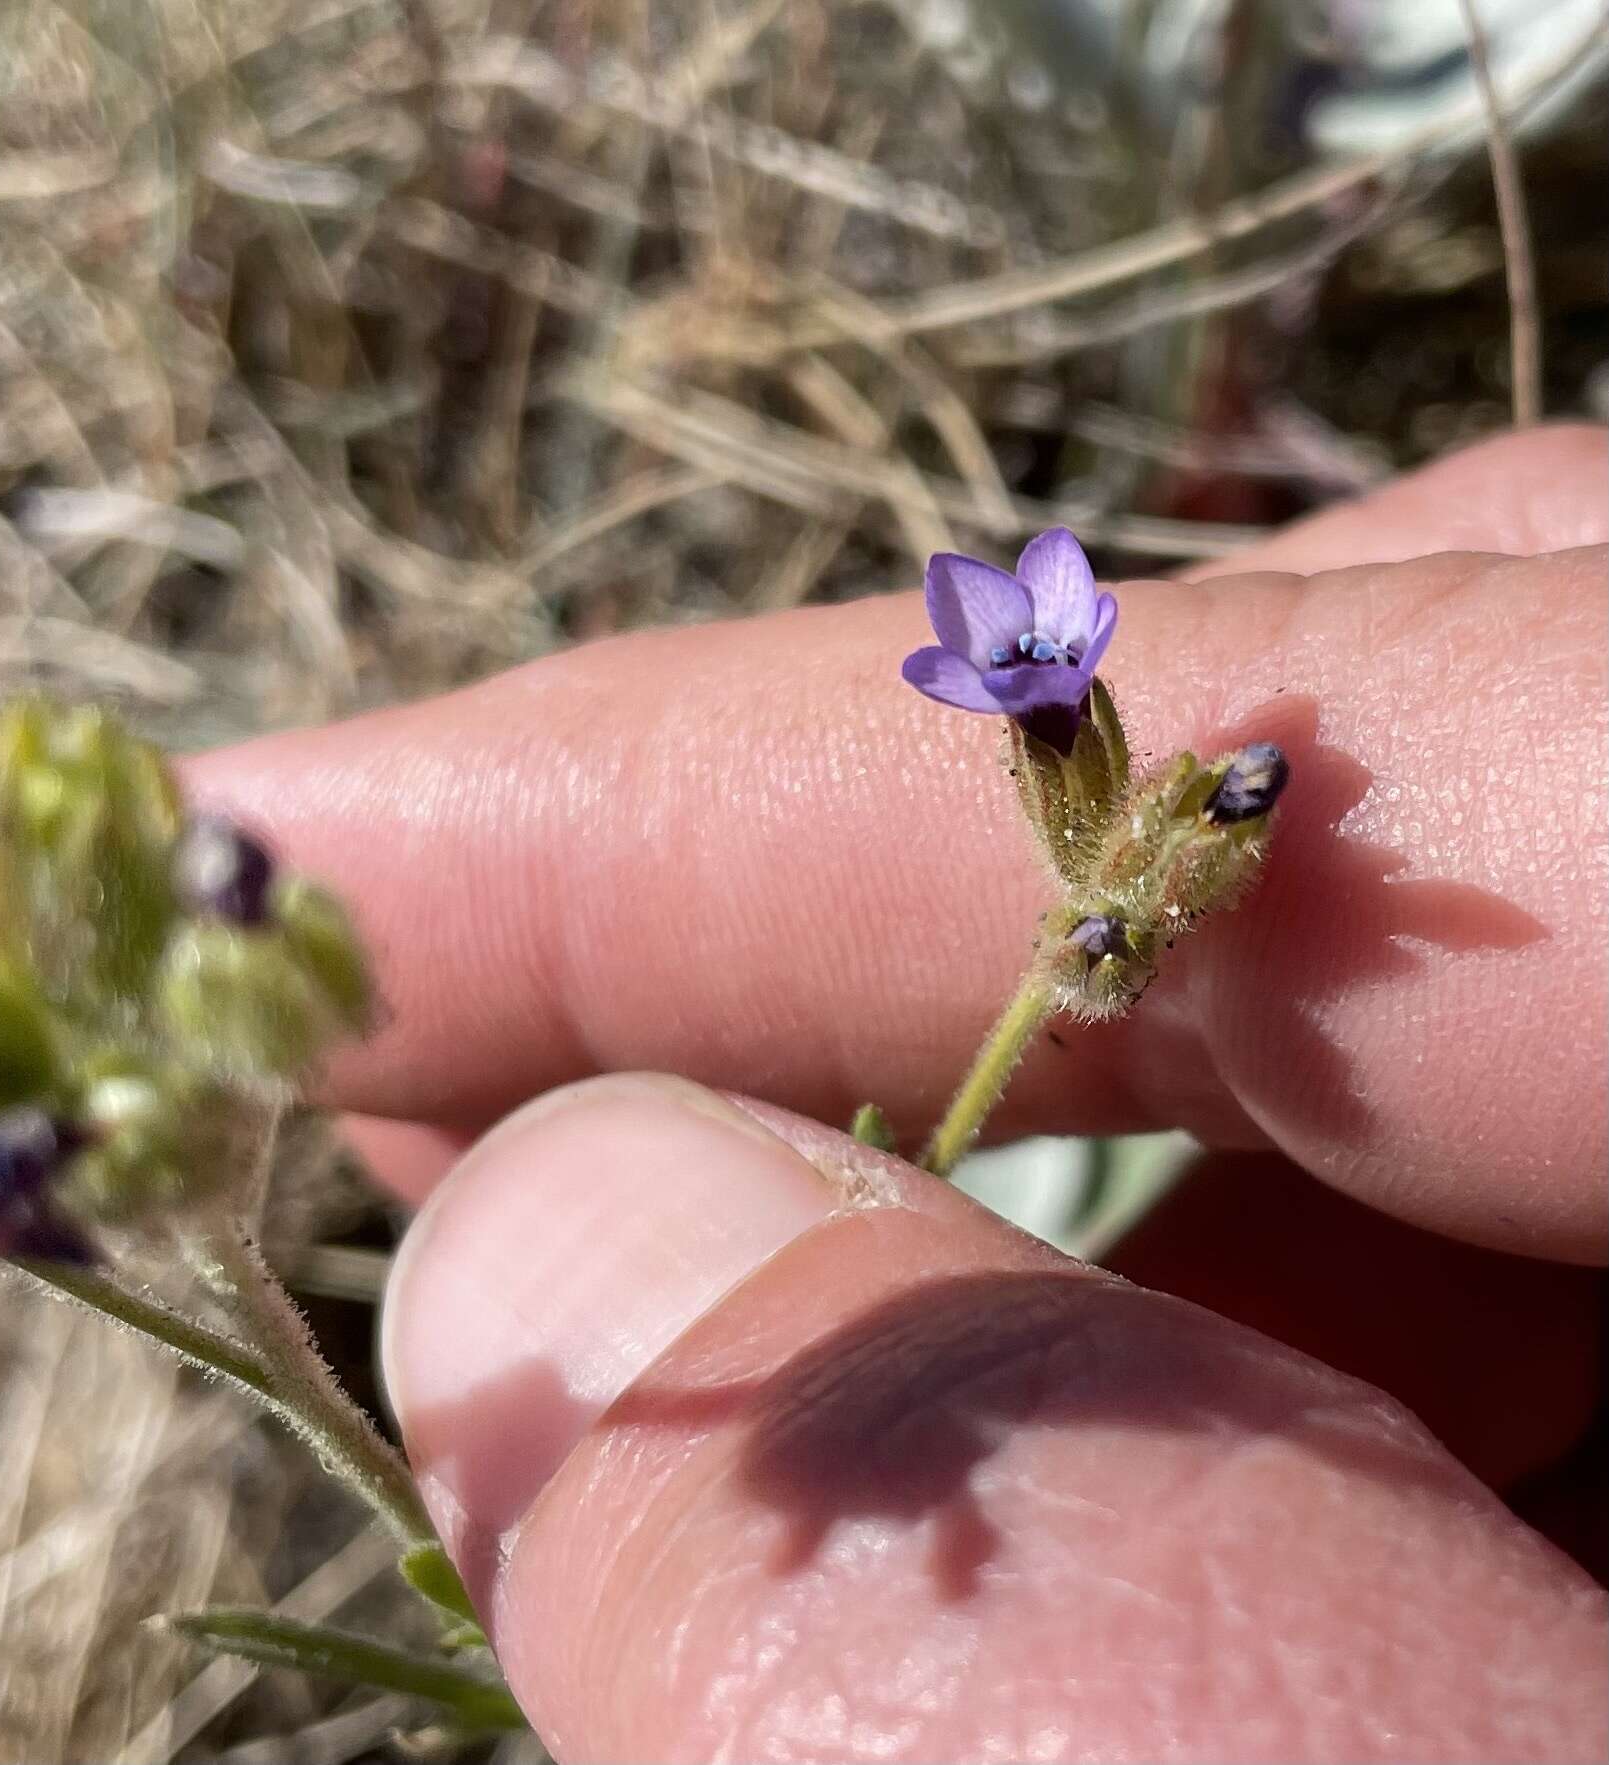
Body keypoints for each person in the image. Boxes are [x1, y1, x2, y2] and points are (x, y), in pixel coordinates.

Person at [187, 425, 1608, 1763]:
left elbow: (1104, 898)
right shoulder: (1042, 704)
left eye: (1048, 660)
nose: (1039, 662)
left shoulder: (1087, 770)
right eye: (1026, 662)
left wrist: (1152, 878)